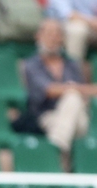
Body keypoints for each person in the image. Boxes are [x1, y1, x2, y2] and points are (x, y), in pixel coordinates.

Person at [25, 19, 97, 168]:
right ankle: (62, 154)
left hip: (77, 119)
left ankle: (57, 149)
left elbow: (86, 94)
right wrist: (73, 88)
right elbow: (49, 90)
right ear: (39, 36)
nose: (53, 38)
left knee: (73, 99)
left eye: (57, 34)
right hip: (47, 117)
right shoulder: (32, 64)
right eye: (49, 33)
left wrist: (74, 89)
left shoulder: (72, 64)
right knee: (72, 96)